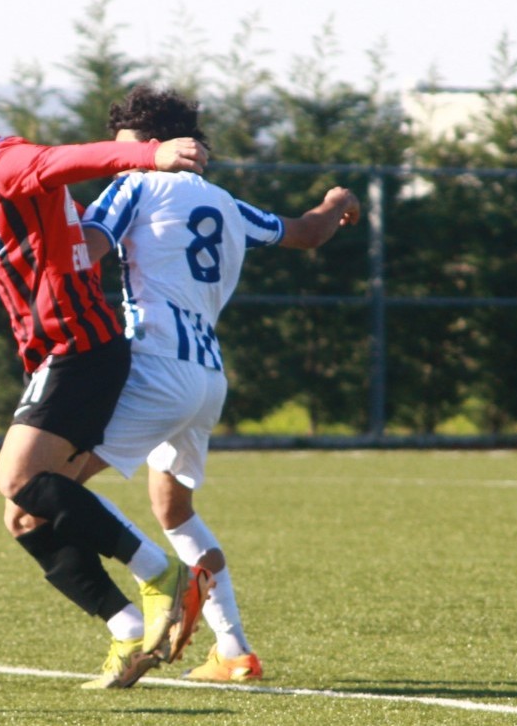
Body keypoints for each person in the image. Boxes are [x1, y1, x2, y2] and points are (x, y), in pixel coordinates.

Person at [0, 62, 213, 688]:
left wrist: (150, 154)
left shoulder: (1, 162)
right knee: (25, 515)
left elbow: (54, 163)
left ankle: (164, 575)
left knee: (14, 477)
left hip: (81, 350)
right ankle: (125, 631)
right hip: (61, 356)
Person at [74, 85, 361, 681]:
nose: (116, 162)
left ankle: (161, 583)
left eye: (123, 151)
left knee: (49, 486)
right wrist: (336, 201)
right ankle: (234, 653)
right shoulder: (226, 203)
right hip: (206, 377)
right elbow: (307, 232)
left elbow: (86, 251)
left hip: (154, 367)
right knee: (174, 509)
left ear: (157, 147)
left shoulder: (136, 183)